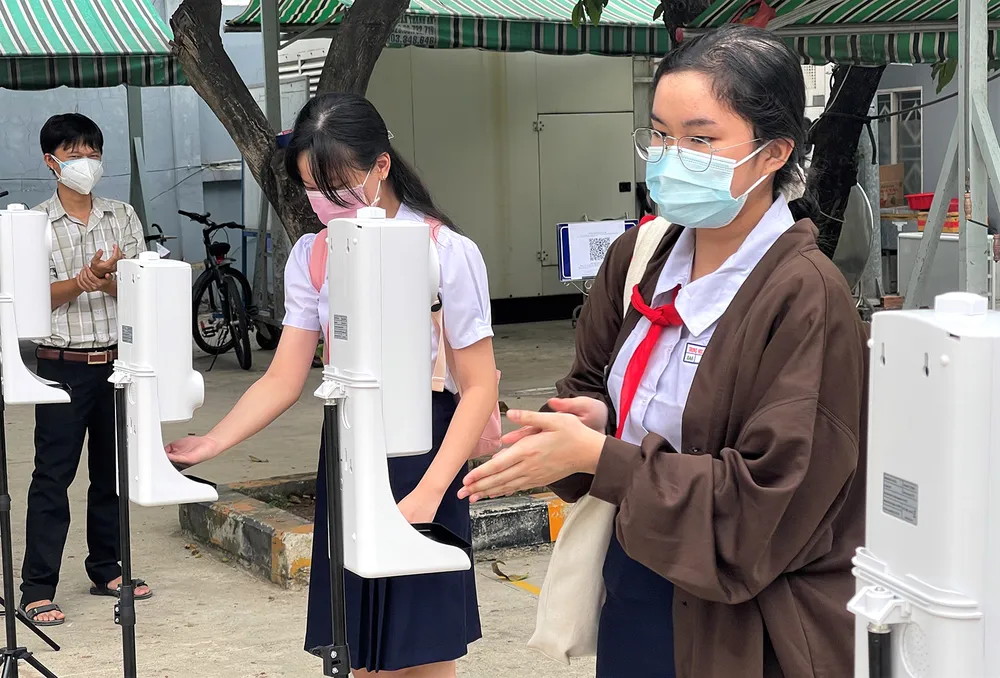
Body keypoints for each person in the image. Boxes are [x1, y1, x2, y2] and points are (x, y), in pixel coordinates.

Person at [461, 25, 867, 678]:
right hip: (637, 584)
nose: (671, 158)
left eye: (700, 140)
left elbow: (770, 500)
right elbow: (593, 381)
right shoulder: (646, 257)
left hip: (741, 626)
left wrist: (604, 458)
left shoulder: (805, 297)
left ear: (773, 153)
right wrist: (593, 421)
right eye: (659, 135)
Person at [165, 93, 497, 677]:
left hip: (429, 452)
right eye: (312, 190)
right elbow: (283, 376)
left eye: (337, 187)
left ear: (381, 166)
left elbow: (478, 388)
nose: (324, 203)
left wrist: (429, 494)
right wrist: (213, 442)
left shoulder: (447, 251)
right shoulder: (312, 255)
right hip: (347, 449)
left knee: (425, 649)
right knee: (355, 643)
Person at [21, 113, 149, 626]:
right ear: (51, 162)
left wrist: (110, 278)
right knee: (52, 476)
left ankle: (107, 568)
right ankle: (37, 588)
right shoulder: (34, 225)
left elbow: (143, 288)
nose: (86, 164)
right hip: (61, 365)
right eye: (74, 155)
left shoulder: (122, 215)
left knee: (111, 472)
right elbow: (31, 301)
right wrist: (83, 280)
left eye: (92, 154)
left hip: (116, 363)